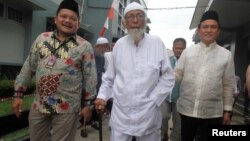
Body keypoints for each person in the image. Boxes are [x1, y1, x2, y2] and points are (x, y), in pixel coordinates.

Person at [11, 0, 97, 140]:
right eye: (63, 16)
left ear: (78, 24)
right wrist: (18, 94)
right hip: (39, 104)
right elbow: (29, 67)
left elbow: (90, 77)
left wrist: (88, 105)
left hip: (67, 107)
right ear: (55, 19)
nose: (67, 20)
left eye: (73, 18)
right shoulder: (41, 39)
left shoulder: (84, 46)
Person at [95, 2, 175, 141]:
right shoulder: (119, 45)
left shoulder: (156, 43)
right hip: (122, 113)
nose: (136, 20)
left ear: (145, 20)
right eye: (131, 17)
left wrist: (154, 99)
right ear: (125, 23)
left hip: (148, 112)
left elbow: (168, 76)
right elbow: (109, 77)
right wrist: (102, 97)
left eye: (139, 16)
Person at [174, 10, 235, 141]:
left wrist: (227, 110)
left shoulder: (226, 55)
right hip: (187, 110)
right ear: (199, 30)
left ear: (218, 31)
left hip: (213, 113)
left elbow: (228, 84)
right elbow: (177, 74)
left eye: (213, 27)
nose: (209, 30)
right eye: (205, 27)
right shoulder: (187, 52)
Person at [161, 38, 186, 141]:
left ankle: (175, 138)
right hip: (165, 96)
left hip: (180, 98)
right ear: (173, 48)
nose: (179, 50)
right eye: (177, 48)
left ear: (185, 49)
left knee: (178, 122)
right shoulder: (167, 61)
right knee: (162, 118)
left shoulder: (188, 63)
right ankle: (163, 136)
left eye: (182, 48)